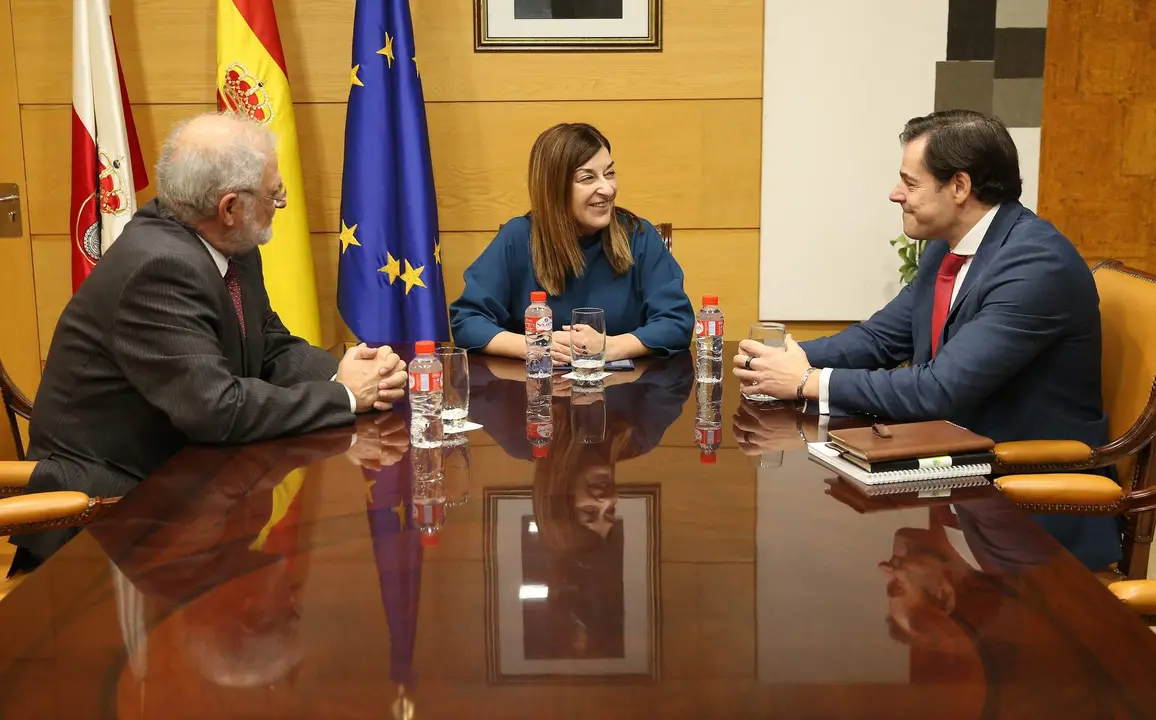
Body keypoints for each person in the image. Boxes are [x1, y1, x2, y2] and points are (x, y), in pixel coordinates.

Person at [9, 112, 408, 571]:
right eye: (274, 194)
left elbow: (270, 344)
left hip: (183, 490)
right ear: (230, 208)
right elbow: (216, 410)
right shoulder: (157, 269)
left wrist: (353, 374)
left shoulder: (228, 244)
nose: (281, 203)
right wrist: (344, 396)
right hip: (106, 517)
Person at [731, 109, 1118, 569]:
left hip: (1022, 500)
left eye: (909, 184)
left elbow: (939, 389)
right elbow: (881, 338)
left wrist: (807, 382)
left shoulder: (1035, 264)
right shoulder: (948, 246)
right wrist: (784, 359)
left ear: (959, 186)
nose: (895, 194)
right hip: (956, 472)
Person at [448, 122, 694, 363]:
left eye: (609, 173)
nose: (607, 189)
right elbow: (468, 321)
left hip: (624, 395)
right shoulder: (519, 236)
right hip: (537, 395)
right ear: (555, 189)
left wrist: (610, 347)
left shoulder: (638, 235)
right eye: (588, 178)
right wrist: (534, 345)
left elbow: (676, 322)